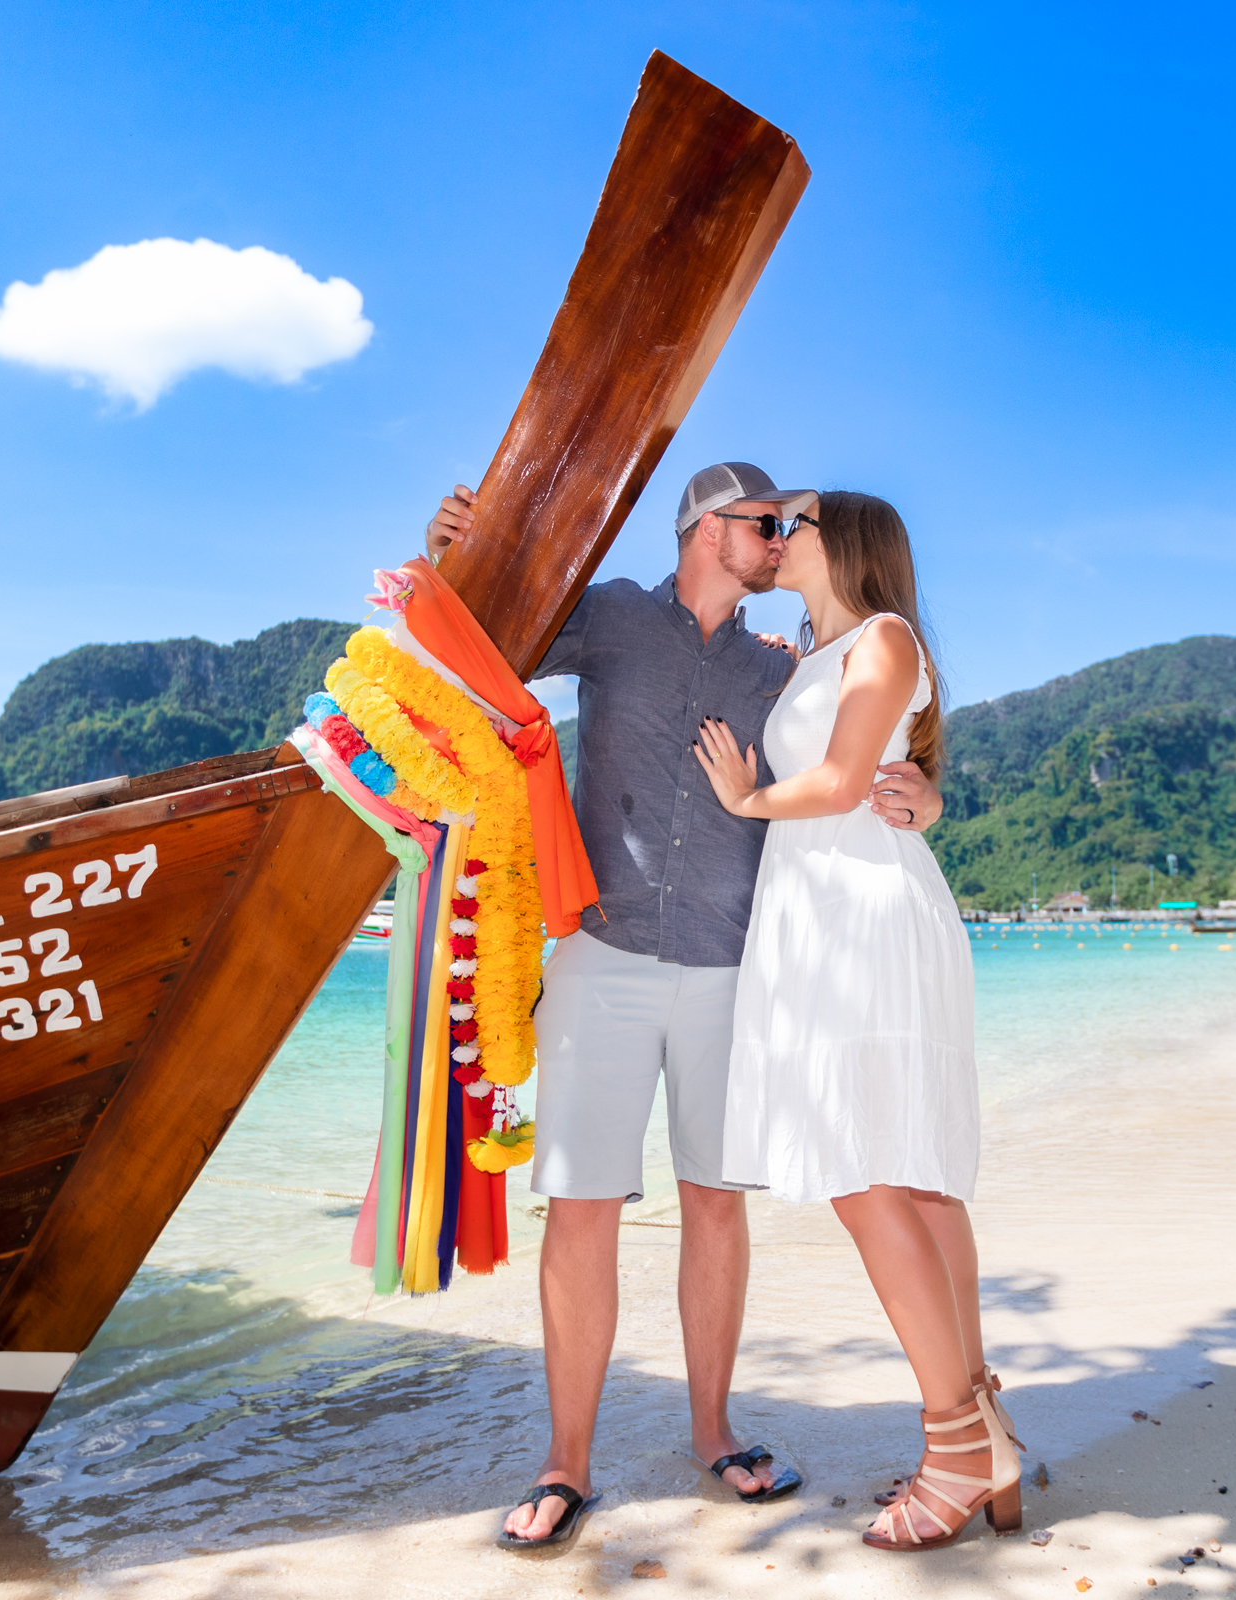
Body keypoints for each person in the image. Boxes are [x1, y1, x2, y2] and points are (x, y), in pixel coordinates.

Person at [424, 463, 945, 1552]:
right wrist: (456, 550)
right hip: (600, 953)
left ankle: (714, 1433)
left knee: (715, 1201)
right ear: (711, 528)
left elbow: (868, 746)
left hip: (735, 970)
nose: (782, 537)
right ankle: (567, 1461)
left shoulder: (786, 665)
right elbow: (483, 644)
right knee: (581, 1206)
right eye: (768, 522)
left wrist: (924, 790)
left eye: (789, 524)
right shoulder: (610, 616)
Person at [692, 490, 1018, 1552]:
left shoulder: (882, 634)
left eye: (794, 521)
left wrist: (747, 801)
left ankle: (956, 1442)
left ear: (850, 540)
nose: (777, 536)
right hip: (824, 910)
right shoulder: (817, 650)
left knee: (870, 1173)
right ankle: (982, 1421)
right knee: (910, 1177)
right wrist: (921, 794)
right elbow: (880, 775)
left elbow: (837, 783)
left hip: (859, 916)